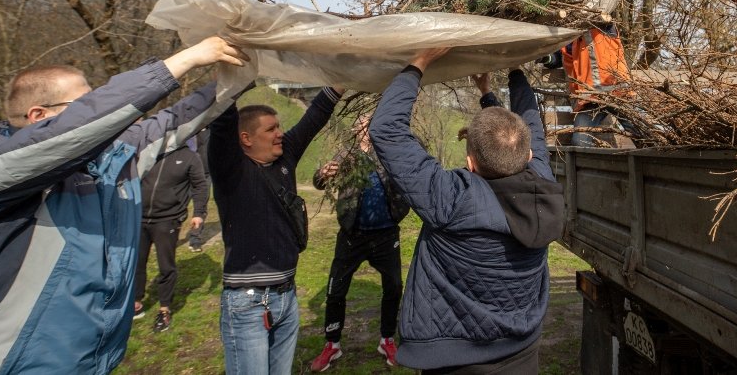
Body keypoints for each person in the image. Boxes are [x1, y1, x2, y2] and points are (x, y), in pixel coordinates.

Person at [0, 36, 249, 374]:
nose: (105, 115)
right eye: (86, 104)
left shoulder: (111, 160)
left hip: (95, 362)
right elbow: (77, 129)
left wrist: (243, 72)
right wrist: (186, 59)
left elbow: (175, 120)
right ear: (39, 116)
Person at [369, 49, 564, 373]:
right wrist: (506, 76)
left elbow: (386, 130)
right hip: (522, 354)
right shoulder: (542, 187)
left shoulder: (451, 199)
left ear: (470, 163)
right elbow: (528, 126)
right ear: (529, 156)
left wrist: (420, 61)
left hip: (455, 363)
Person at [208, 86, 343, 375]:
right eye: (270, 129)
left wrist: (341, 80)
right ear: (246, 139)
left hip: (287, 298)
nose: (280, 133)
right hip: (248, 304)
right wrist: (233, 80)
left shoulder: (284, 159)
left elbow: (316, 115)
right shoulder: (230, 170)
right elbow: (221, 121)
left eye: (279, 127)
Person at [309, 114, 410, 371]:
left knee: (394, 287)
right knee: (336, 290)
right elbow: (319, 182)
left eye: (369, 124)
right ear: (355, 130)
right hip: (352, 236)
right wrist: (322, 174)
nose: (365, 129)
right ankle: (332, 344)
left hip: (386, 235)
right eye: (362, 125)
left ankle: (387, 339)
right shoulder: (347, 155)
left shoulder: (386, 153)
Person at [132, 137, 209, 332]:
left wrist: (199, 213)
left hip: (168, 220)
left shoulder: (189, 157)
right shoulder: (149, 151)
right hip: (139, 216)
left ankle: (164, 309)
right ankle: (136, 302)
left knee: (166, 265)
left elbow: (200, 185)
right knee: (136, 262)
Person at [556, 23, 638, 146]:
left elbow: (605, 20)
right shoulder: (567, 39)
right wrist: (545, 57)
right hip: (590, 100)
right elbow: (557, 58)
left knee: (641, 134)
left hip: (618, 94)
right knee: (579, 142)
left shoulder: (602, 27)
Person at [187, 126, 211, 252]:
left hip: (204, 174)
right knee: (177, 205)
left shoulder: (211, 129)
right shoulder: (188, 128)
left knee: (201, 206)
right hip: (185, 173)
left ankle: (195, 238)